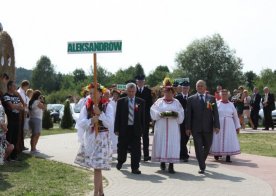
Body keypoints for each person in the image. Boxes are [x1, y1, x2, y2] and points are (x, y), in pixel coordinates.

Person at [75, 83, 113, 196]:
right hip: (91, 138)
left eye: (93, 93)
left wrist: (100, 114)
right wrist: (91, 121)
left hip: (102, 139)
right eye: (90, 93)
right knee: (97, 167)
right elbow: (80, 123)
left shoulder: (108, 106)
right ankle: (101, 193)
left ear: (101, 93)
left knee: (97, 167)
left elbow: (109, 123)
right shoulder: (86, 106)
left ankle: (96, 193)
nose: (91, 95)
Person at [185, 80, 220, 174]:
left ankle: (201, 161)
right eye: (198, 86)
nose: (200, 87)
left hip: (208, 127)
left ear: (205, 87)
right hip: (196, 128)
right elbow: (188, 115)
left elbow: (215, 113)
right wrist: (188, 128)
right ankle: (202, 166)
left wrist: (217, 126)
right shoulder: (191, 99)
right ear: (196, 87)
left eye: (201, 86)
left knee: (207, 146)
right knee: (198, 147)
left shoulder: (211, 99)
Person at [151, 78, 184, 173]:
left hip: (173, 127)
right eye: (166, 92)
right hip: (161, 126)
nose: (168, 94)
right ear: (163, 93)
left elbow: (181, 113)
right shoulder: (159, 101)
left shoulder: (176, 102)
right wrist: (160, 114)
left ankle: (171, 164)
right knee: (161, 142)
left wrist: (177, 114)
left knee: (172, 144)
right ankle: (162, 161)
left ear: (173, 93)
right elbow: (153, 111)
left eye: (170, 92)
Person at [115, 82, 145, 174]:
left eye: (133, 91)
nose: (131, 93)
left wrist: (143, 130)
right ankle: (120, 161)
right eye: (129, 91)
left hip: (135, 129)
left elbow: (143, 117)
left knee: (136, 150)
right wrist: (116, 129)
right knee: (122, 148)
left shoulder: (141, 102)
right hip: (124, 129)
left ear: (135, 91)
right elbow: (117, 116)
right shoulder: (121, 101)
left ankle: (135, 168)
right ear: (126, 91)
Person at [210, 89, 241, 162]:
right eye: (223, 94)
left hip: (229, 124)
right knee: (217, 138)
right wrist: (213, 125)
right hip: (219, 123)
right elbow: (213, 115)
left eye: (226, 94)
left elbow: (235, 116)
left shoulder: (231, 104)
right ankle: (217, 153)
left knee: (228, 139)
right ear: (220, 95)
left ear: (228, 95)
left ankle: (228, 155)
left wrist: (237, 126)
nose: (224, 95)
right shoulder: (217, 104)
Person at [2, 81, 24, 161]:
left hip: (16, 120)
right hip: (9, 120)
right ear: (9, 87)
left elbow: (22, 107)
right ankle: (6, 156)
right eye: (14, 86)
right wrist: (17, 106)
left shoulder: (16, 97)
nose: (15, 87)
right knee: (9, 137)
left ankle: (13, 156)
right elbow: (11, 107)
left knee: (15, 137)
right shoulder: (5, 96)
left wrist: (16, 106)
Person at [135, 74, 153, 161]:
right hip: (135, 116)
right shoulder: (133, 90)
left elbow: (150, 104)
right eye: (139, 81)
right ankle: (137, 154)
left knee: (145, 136)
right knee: (136, 136)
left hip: (145, 117)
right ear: (136, 82)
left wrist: (150, 117)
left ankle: (146, 155)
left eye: (142, 81)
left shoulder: (148, 91)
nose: (140, 83)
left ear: (144, 82)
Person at [175, 80, 190, 162]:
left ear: (189, 89)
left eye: (187, 88)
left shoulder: (191, 97)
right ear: (181, 88)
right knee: (182, 138)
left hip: (189, 121)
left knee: (186, 137)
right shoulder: (177, 98)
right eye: (184, 88)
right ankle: (184, 154)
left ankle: (182, 153)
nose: (185, 89)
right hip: (180, 121)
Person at [0, 100, 14, 165]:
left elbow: (4, 116)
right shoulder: (0, 107)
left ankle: (3, 160)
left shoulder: (1, 107)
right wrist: (5, 128)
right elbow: (1, 121)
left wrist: (5, 125)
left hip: (2, 136)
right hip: (1, 135)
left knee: (10, 146)